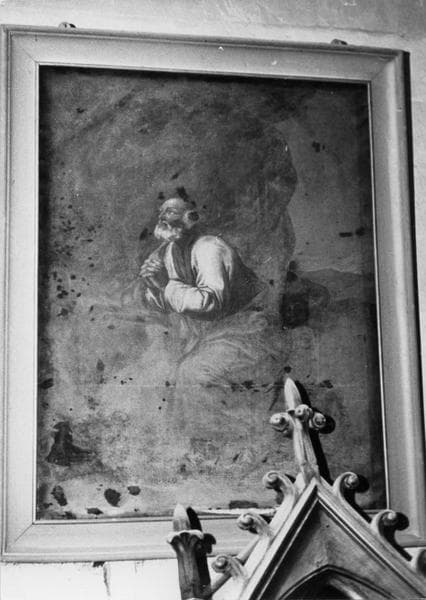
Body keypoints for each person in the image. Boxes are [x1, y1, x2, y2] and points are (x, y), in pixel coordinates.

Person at [139, 197, 262, 321]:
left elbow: (211, 304)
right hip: (204, 323)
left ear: (190, 218)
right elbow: (170, 303)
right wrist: (155, 285)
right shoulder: (171, 249)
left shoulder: (209, 247)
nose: (161, 217)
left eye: (170, 212)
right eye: (161, 212)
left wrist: (166, 285)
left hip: (246, 316)